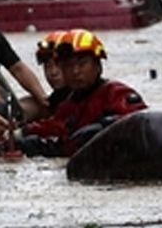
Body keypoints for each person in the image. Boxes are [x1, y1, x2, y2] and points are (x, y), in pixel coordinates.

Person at [20, 29, 146, 157]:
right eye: (69, 65)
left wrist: (103, 126)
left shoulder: (115, 93)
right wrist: (22, 133)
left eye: (82, 63)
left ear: (97, 65)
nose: (75, 71)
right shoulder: (68, 105)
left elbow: (140, 123)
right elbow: (55, 127)